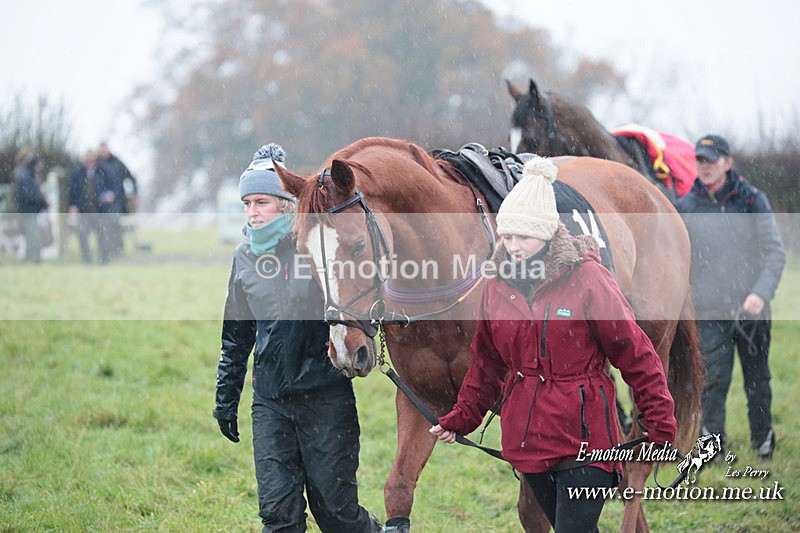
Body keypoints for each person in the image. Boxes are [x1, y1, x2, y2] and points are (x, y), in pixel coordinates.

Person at [429, 157, 676, 532]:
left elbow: (636, 354)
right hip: (528, 442)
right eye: (507, 236)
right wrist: (462, 418)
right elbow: (486, 364)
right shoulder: (495, 287)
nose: (513, 247)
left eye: (523, 237)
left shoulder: (590, 278)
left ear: (547, 233)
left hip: (587, 440)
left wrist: (659, 422)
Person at [213, 143, 381, 533]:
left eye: (262, 202)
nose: (252, 213)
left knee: (337, 516)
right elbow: (236, 336)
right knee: (279, 518)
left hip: (324, 398)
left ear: (285, 205)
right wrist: (226, 399)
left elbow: (356, 296)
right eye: (247, 204)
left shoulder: (316, 246)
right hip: (270, 403)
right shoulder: (242, 259)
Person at [675, 134, 785, 462]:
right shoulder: (685, 207)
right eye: (700, 160)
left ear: (727, 163)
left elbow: (775, 252)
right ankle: (713, 446)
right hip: (709, 312)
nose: (705, 167)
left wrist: (760, 293)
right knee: (712, 382)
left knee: (758, 380)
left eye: (711, 160)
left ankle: (763, 439)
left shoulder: (752, 200)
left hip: (752, 310)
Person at [96, 141, 137, 256]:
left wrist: (134, 194)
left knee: (115, 223)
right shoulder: (98, 164)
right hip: (102, 202)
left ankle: (118, 248)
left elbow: (129, 177)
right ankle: (108, 249)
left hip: (118, 200)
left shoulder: (117, 163)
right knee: (105, 225)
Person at [67, 149, 108, 263]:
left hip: (99, 210)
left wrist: (108, 196)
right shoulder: (77, 173)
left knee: (103, 236)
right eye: (87, 160)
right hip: (83, 210)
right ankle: (87, 260)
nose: (88, 162)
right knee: (82, 235)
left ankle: (104, 260)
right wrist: (72, 205)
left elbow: (111, 187)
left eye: (91, 160)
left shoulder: (102, 172)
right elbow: (72, 191)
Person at [13, 153, 49, 263]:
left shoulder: (27, 175)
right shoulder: (26, 176)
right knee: (33, 237)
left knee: (32, 236)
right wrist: (43, 202)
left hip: (30, 212)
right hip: (28, 212)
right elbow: (29, 195)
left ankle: (32, 260)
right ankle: (32, 260)